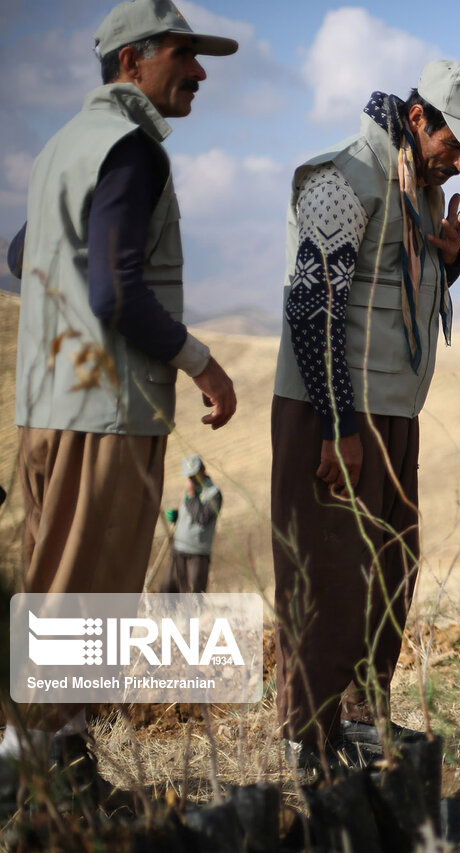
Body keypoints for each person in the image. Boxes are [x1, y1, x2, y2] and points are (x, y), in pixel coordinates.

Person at [2, 0, 238, 803]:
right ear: (133, 61)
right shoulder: (131, 150)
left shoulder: (59, 149)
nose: (200, 72)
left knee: (51, 588)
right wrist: (202, 363)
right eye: (184, 55)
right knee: (84, 595)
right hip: (103, 414)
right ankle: (39, 784)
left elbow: (21, 250)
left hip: (46, 408)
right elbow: (115, 291)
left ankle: (51, 771)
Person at [270, 59, 460, 770]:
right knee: (332, 574)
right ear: (417, 118)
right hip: (336, 412)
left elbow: (388, 285)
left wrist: (449, 264)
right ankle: (304, 739)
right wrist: (338, 426)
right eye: (454, 143)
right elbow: (313, 306)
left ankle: (354, 721)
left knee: (387, 573)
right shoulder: (343, 177)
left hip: (391, 409)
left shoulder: (420, 188)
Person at [158, 454, 222, 594]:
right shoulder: (190, 491)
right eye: (189, 476)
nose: (191, 479)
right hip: (178, 550)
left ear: (202, 470)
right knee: (166, 590)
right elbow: (190, 513)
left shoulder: (214, 494)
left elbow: (202, 517)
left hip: (197, 554)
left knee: (192, 596)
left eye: (194, 475)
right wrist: (177, 516)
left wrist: (192, 495)